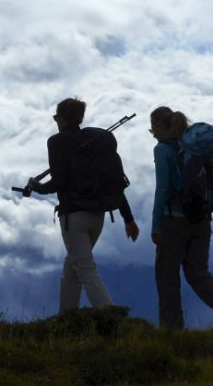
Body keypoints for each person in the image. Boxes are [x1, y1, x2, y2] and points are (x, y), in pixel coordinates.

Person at [28, 98, 140, 311]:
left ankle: (112, 319)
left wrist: (36, 187)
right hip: (97, 216)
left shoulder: (56, 142)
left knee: (86, 270)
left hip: (73, 218)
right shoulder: (97, 141)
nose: (55, 121)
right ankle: (67, 318)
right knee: (72, 268)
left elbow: (58, 183)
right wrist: (128, 218)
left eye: (55, 117)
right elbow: (113, 182)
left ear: (61, 118)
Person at [149, 106, 213, 330]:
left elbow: (162, 188)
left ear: (162, 126)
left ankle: (172, 332)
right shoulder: (193, 144)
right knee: (198, 273)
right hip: (201, 218)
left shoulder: (162, 150)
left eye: (152, 129)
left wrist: (155, 225)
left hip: (173, 220)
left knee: (167, 277)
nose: (153, 134)